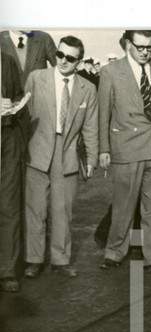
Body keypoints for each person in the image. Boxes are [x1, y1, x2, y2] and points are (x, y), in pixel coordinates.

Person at [98, 30, 151, 275]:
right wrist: (104, 149)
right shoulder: (110, 72)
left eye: (149, 47)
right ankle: (114, 252)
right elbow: (103, 113)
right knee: (124, 205)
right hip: (126, 147)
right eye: (140, 47)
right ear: (127, 44)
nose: (145, 52)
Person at [23, 35, 98, 280]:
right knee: (35, 209)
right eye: (60, 55)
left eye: (70, 58)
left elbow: (90, 127)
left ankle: (60, 259)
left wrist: (91, 158)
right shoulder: (36, 78)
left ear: (79, 62)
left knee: (63, 210)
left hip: (67, 153)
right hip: (37, 149)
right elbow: (23, 112)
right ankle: (33, 259)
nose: (63, 61)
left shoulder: (88, 88)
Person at [0, 52, 26, 293]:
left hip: (6, 134)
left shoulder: (6, 60)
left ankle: (7, 269)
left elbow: (17, 93)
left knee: (9, 204)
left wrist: (17, 104)